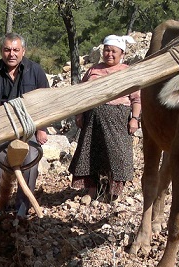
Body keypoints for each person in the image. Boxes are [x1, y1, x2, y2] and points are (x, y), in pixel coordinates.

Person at [0, 32, 49, 218]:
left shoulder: (36, 71)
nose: (12, 54)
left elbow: (46, 103)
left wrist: (42, 129)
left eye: (16, 50)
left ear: (23, 51)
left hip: (29, 127)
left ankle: (22, 210)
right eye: (7, 50)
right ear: (2, 51)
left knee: (30, 165)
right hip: (1, 128)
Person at [68, 35, 141, 203]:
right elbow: (81, 94)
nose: (109, 54)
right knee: (89, 153)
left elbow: (136, 99)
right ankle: (92, 190)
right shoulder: (93, 71)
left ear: (121, 53)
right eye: (106, 50)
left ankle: (113, 191)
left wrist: (135, 119)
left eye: (113, 51)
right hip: (92, 120)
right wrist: (79, 114)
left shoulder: (127, 71)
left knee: (118, 154)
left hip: (118, 121)